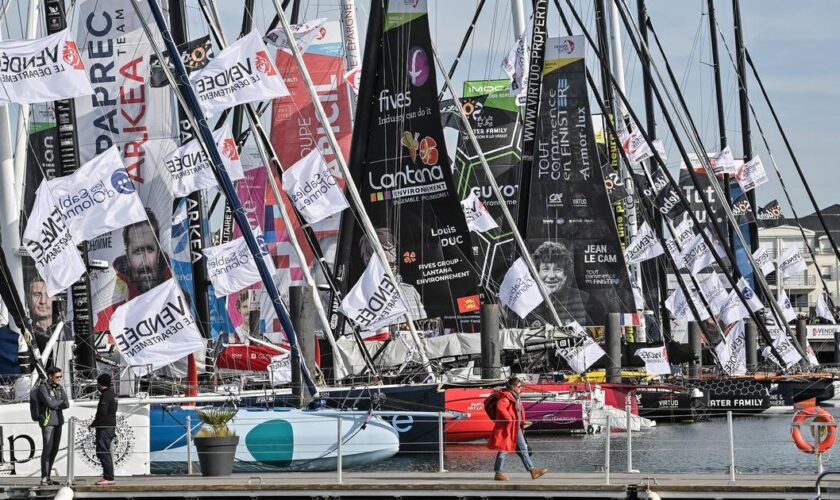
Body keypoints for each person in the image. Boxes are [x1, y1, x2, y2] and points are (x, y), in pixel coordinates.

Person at [95, 209, 172, 331]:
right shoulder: (108, 312)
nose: (145, 259)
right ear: (128, 256)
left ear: (158, 254)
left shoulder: (180, 299)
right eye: (137, 251)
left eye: (150, 249)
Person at [358, 227, 427, 320]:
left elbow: (422, 320)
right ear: (372, 255)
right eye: (387, 249)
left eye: (393, 248)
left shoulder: (410, 291)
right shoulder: (362, 295)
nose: (394, 254)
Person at [488, 376, 547, 481]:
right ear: (513, 387)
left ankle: (531, 470)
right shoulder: (506, 396)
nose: (521, 388)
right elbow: (500, 407)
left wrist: (522, 422)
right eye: (519, 386)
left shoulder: (515, 396)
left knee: (516, 448)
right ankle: (500, 472)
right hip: (509, 427)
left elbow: (519, 411)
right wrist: (510, 419)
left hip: (515, 427)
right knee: (506, 449)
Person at [531, 240, 601, 326]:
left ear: (566, 274)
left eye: (557, 269)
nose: (551, 275)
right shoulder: (528, 303)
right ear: (537, 273)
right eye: (545, 269)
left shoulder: (586, 301)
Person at [37, 366, 69, 486]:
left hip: (58, 422)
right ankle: (44, 478)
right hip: (48, 423)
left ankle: (48, 477)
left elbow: (67, 404)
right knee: (47, 449)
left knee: (54, 450)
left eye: (61, 376)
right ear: (50, 376)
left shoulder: (59, 387)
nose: (59, 379)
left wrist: (57, 403)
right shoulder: (43, 388)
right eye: (57, 377)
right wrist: (58, 402)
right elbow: (50, 403)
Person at [89, 373, 118, 486]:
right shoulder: (113, 394)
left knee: (102, 452)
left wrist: (93, 424)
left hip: (104, 427)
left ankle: (109, 477)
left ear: (100, 384)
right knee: (104, 451)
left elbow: (102, 412)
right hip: (110, 426)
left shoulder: (105, 395)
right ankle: (107, 476)